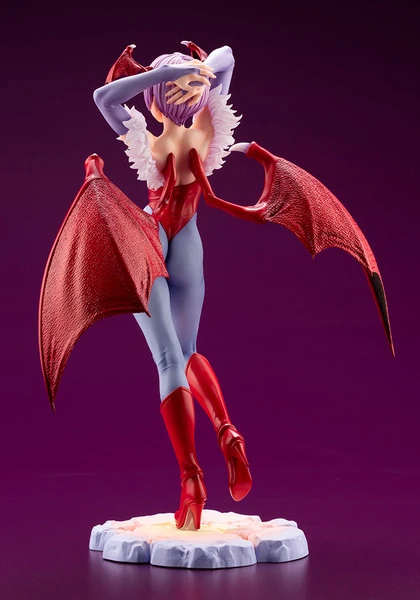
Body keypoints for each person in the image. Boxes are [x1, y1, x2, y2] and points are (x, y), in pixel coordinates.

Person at [93, 42, 253, 530]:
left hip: (151, 237)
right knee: (189, 351)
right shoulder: (207, 129)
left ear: (157, 103)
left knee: (167, 360)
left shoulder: (151, 141)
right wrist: (198, 70)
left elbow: (104, 97)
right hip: (189, 241)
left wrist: (161, 77)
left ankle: (191, 478)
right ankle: (227, 430)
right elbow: (227, 56)